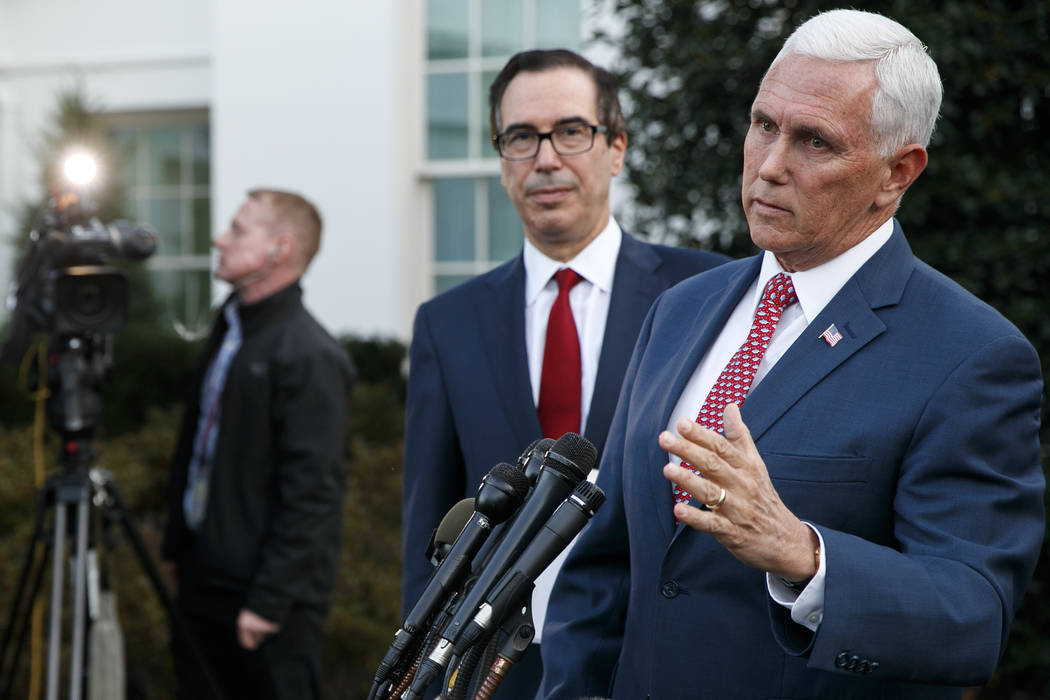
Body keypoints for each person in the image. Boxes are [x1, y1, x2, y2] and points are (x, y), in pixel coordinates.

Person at [540, 9, 1045, 700]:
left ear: (897, 173)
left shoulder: (971, 356)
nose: (770, 166)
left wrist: (804, 556)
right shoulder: (681, 309)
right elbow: (606, 565)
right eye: (763, 125)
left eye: (814, 142)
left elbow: (971, 618)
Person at [401, 49, 728, 697]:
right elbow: (429, 528)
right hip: (497, 670)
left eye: (571, 132)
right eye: (521, 137)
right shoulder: (448, 323)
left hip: (662, 657)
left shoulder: (707, 293)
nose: (545, 158)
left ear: (616, 149)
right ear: (502, 163)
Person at [162, 188, 354, 700]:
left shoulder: (311, 356)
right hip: (204, 585)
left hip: (267, 608)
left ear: (280, 249)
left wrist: (267, 604)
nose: (218, 239)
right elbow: (197, 451)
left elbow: (313, 494)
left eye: (239, 230)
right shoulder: (230, 331)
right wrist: (178, 549)